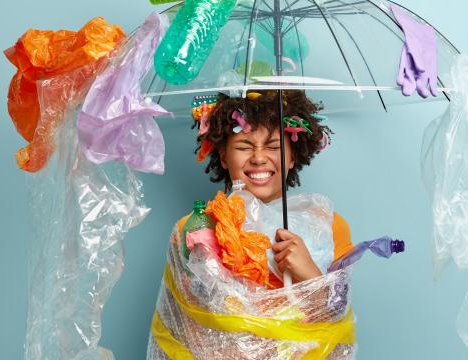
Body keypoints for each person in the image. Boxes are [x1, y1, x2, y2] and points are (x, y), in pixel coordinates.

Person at [147, 90, 358, 359]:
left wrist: (310, 275)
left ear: (293, 156)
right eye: (245, 146)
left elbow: (336, 322)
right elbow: (183, 329)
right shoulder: (194, 228)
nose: (259, 157)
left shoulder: (326, 226)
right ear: (223, 156)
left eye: (273, 146)